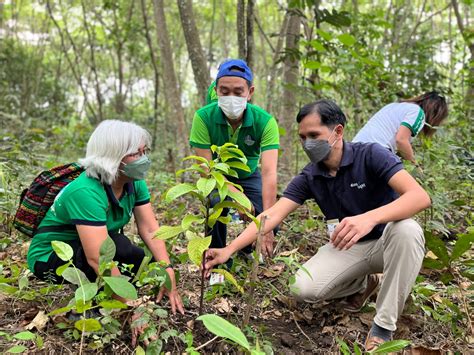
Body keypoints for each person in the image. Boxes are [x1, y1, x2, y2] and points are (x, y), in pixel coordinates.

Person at [204, 99, 431, 351]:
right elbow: (271, 215)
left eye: (314, 135)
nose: (307, 143)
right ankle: (364, 283)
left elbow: (419, 197)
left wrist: (370, 217)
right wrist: (229, 248)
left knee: (408, 230)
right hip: (349, 247)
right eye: (302, 137)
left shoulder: (371, 154)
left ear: (338, 131)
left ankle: (383, 328)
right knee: (302, 288)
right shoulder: (310, 176)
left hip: (388, 241)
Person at [27, 120, 184, 343]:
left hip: (92, 246)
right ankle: (86, 312)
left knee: (135, 255)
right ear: (113, 157)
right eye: (135, 154)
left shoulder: (134, 181)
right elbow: (97, 258)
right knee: (114, 250)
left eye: (144, 151)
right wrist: (132, 307)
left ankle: (107, 299)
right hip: (52, 256)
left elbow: (149, 229)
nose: (144, 159)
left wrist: (168, 271)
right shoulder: (86, 191)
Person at [189, 59, 279, 257]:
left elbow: (269, 172)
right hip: (217, 176)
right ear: (216, 90)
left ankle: (244, 249)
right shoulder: (203, 117)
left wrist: (268, 223)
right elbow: (205, 168)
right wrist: (239, 199)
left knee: (269, 214)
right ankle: (216, 259)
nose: (231, 97)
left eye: (238, 92)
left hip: (248, 174)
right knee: (215, 203)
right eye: (224, 91)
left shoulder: (265, 121)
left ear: (250, 92)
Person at [353, 91, 448, 164]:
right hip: (374, 152)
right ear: (435, 114)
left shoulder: (395, 106)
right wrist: (416, 167)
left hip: (354, 150)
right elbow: (401, 140)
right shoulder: (418, 112)